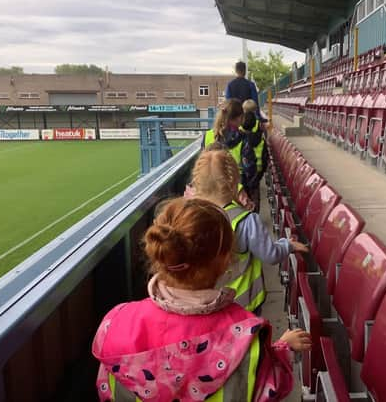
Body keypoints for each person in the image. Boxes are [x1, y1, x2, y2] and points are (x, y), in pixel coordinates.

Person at [92, 197, 311, 402]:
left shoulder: (116, 323)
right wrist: (283, 349)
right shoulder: (245, 334)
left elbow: (106, 387)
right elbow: (269, 389)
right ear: (226, 261)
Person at [191, 149, 308, 314]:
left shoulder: (190, 219)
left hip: (206, 303)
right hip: (243, 304)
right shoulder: (247, 220)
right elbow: (271, 255)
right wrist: (287, 245)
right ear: (234, 183)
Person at [203, 99, 257, 204]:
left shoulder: (208, 136)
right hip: (237, 191)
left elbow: (202, 164)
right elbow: (250, 169)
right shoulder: (243, 138)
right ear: (240, 118)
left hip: (213, 192)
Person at [241, 100, 268, 213]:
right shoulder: (260, 124)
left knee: (244, 191)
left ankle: (245, 213)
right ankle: (255, 214)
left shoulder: (240, 127)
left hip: (245, 165)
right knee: (255, 190)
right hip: (258, 165)